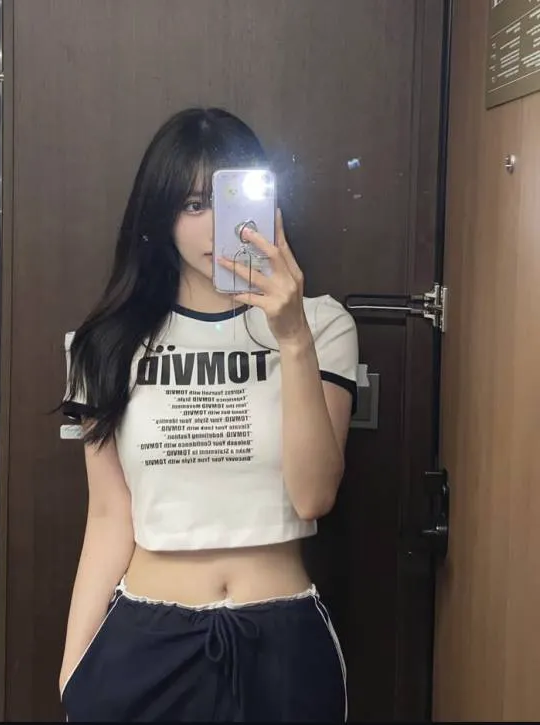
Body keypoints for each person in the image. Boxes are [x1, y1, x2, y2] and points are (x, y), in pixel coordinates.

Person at [58, 107, 358, 722]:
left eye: (228, 200)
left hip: (282, 640)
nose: (216, 224)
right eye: (193, 204)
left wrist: (291, 335)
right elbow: (109, 515)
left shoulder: (322, 325)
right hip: (143, 638)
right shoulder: (106, 345)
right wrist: (74, 671)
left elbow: (314, 496)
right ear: (160, 215)